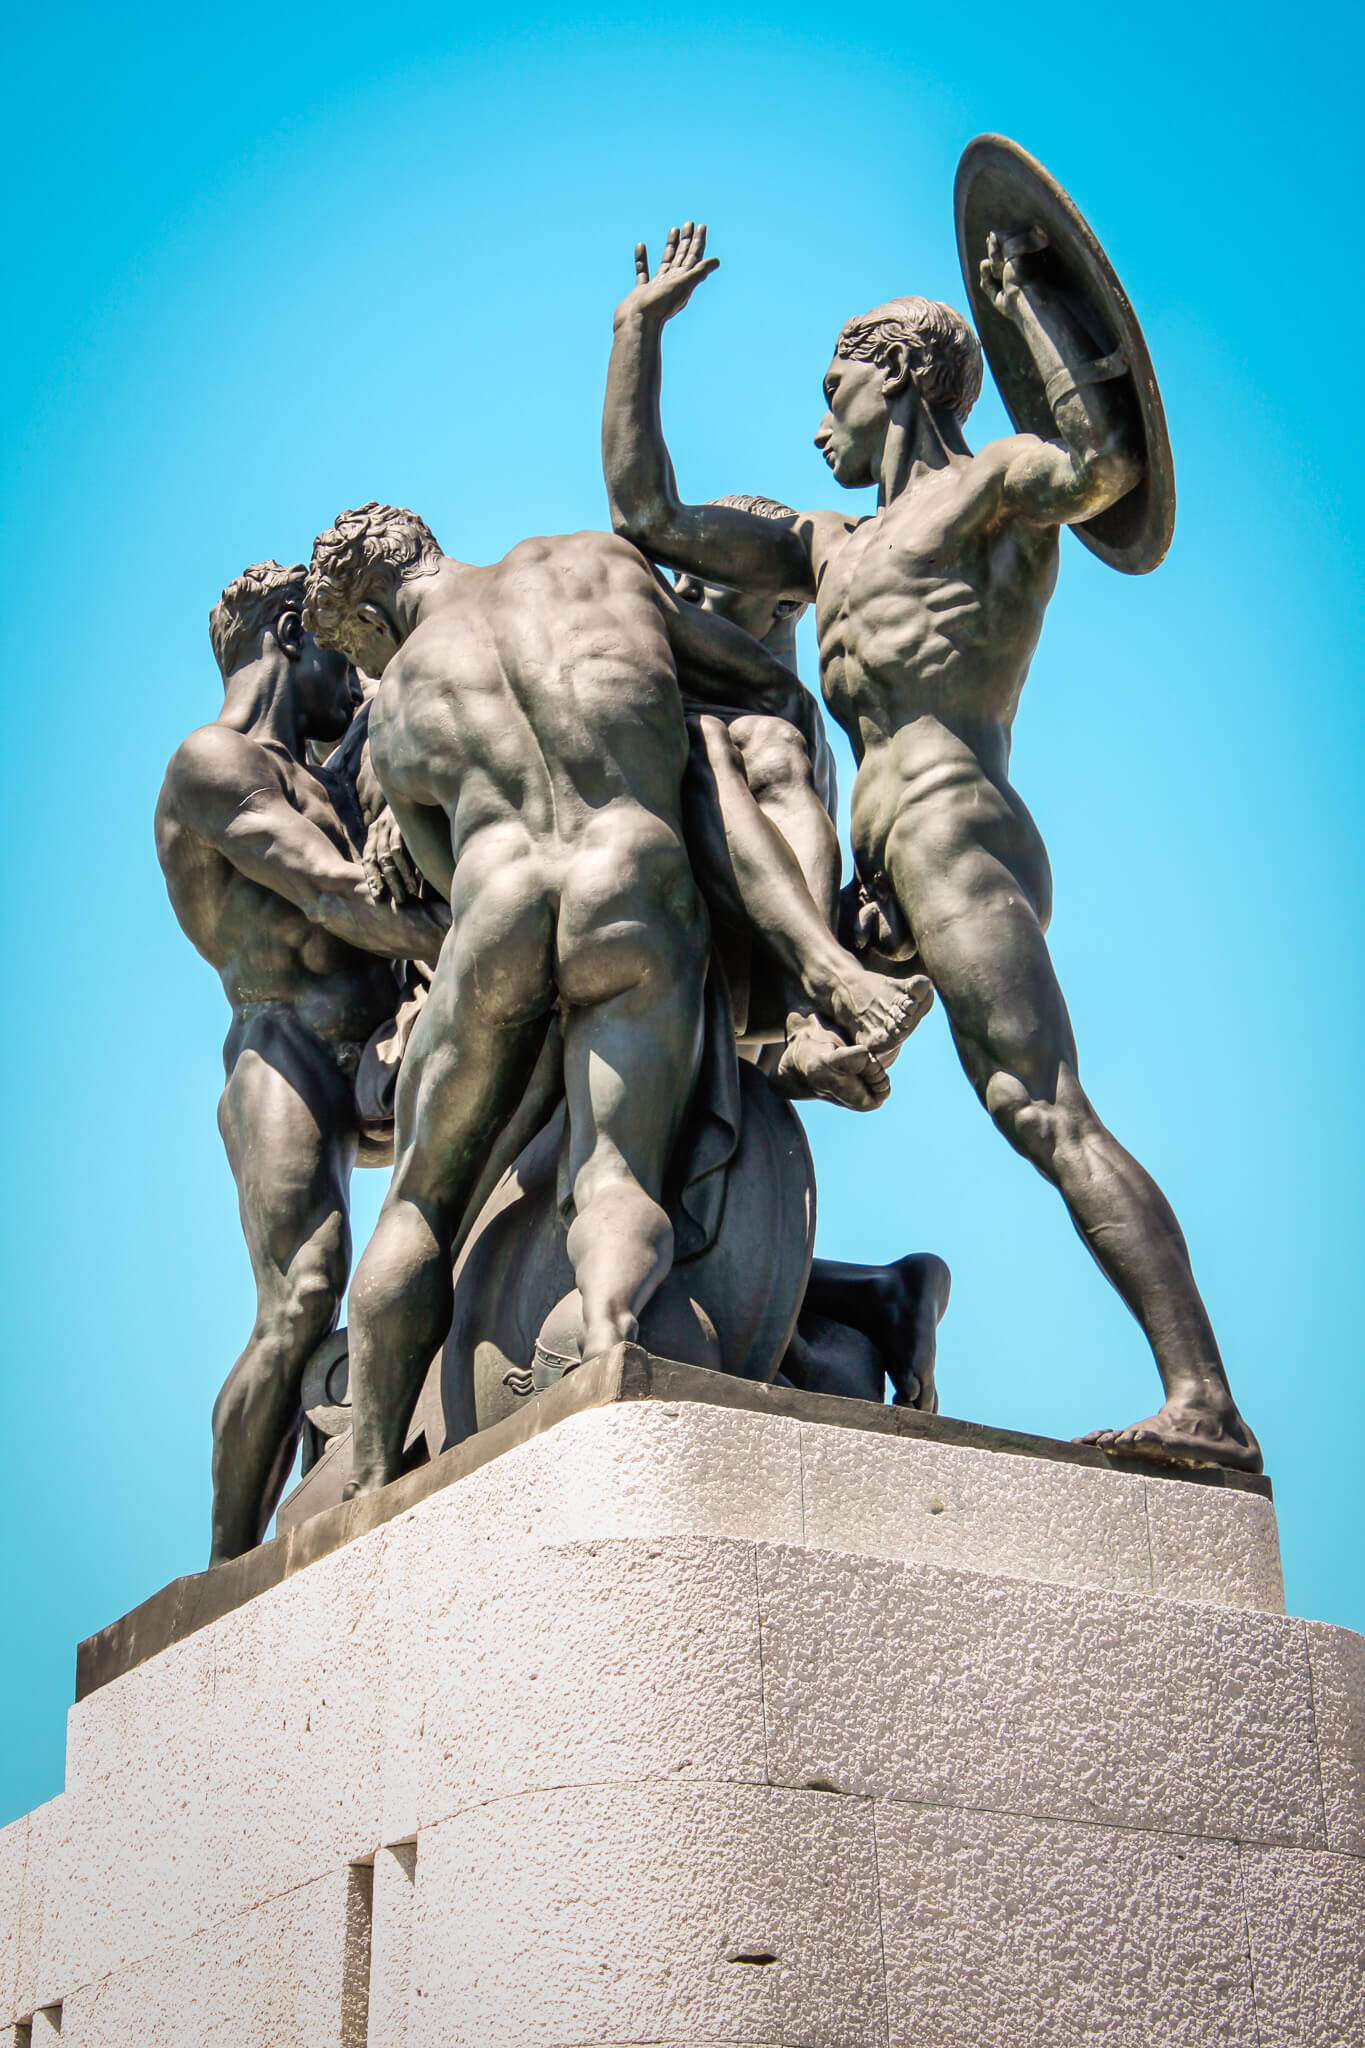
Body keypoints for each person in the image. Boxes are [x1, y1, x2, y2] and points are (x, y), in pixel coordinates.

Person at [602, 221, 1260, 1472]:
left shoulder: (994, 488)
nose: (817, 429)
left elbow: (1106, 464)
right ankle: (860, 1300)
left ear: (894, 371)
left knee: (1041, 1105)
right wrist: (639, 334)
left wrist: (1026, 308)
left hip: (953, 827)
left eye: (831, 392)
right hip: (878, 879)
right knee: (724, 1031)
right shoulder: (822, 548)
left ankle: (1204, 1401)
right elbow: (649, 513)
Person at [305, 503, 924, 1493]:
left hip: (498, 909)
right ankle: (604, 1343)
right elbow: (746, 683)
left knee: (419, 1199)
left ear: (373, 622)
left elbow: (436, 864)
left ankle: (371, 1470)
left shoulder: (401, 703)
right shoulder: (598, 561)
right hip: (631, 885)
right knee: (613, 1177)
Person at [155, 561, 448, 1560]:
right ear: (289, 630)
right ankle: (223, 1571)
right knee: (301, 1295)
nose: (354, 678)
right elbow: (332, 892)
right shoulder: (211, 762)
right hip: (286, 1053)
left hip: (377, 1046)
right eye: (337, 646)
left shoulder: (321, 769)